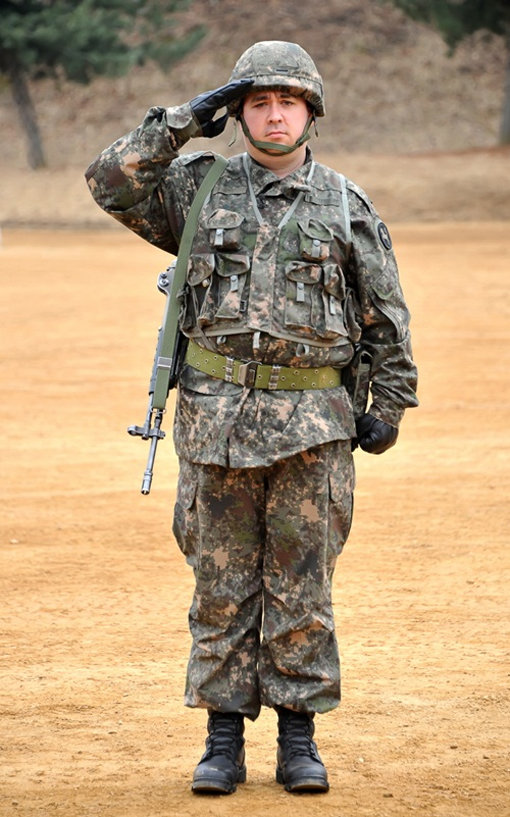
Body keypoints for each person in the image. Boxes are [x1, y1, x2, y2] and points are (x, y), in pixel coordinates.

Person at [85, 40, 418, 795]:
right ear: (237, 114)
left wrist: (389, 405)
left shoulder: (345, 204)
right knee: (221, 586)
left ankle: (299, 739)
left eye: (287, 102)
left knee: (303, 588)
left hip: (314, 430)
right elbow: (110, 182)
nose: (274, 115)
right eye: (259, 102)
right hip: (216, 427)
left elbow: (387, 316)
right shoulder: (197, 191)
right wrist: (179, 123)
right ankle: (223, 740)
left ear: (310, 113)